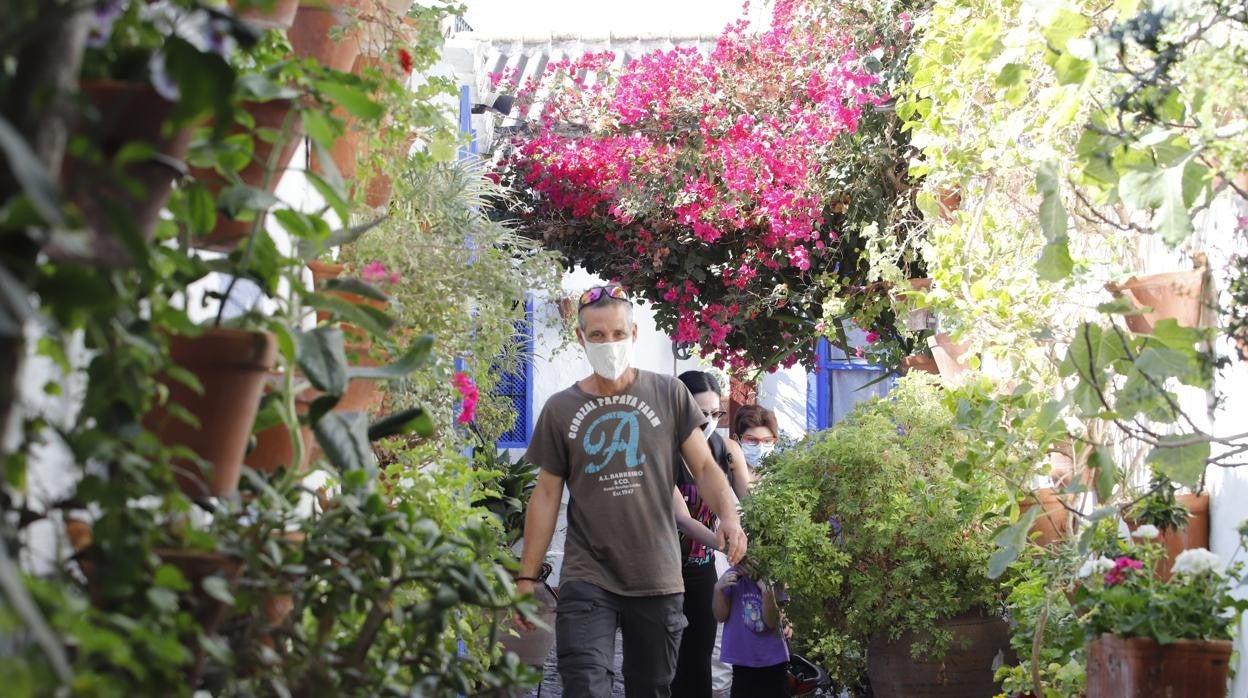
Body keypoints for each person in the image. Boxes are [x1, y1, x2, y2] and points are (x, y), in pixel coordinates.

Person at [515, 284, 748, 698]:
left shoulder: (668, 393)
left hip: (657, 575)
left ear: (635, 334)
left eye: (618, 334)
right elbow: (546, 496)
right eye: (598, 335)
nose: (609, 344)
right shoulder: (559, 408)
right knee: (584, 684)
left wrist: (729, 516)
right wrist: (526, 578)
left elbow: (705, 466)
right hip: (588, 576)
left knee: (651, 688)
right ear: (581, 338)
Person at [670, 370, 750, 698]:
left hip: (701, 569)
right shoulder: (663, 449)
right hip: (664, 570)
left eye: (715, 413)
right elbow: (681, 517)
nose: (709, 421)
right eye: (700, 413)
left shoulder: (718, 446)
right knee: (664, 659)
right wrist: (719, 540)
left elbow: (741, 501)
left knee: (699, 655)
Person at [713, 559, 790, 698]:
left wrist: (767, 590)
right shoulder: (732, 576)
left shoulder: (775, 575)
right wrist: (718, 588)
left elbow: (772, 622)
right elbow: (720, 616)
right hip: (742, 663)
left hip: (773, 663)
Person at [732, 404, 780, 478]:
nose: (760, 448)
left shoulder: (781, 478)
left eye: (767, 441)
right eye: (752, 440)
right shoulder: (724, 479)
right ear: (736, 439)